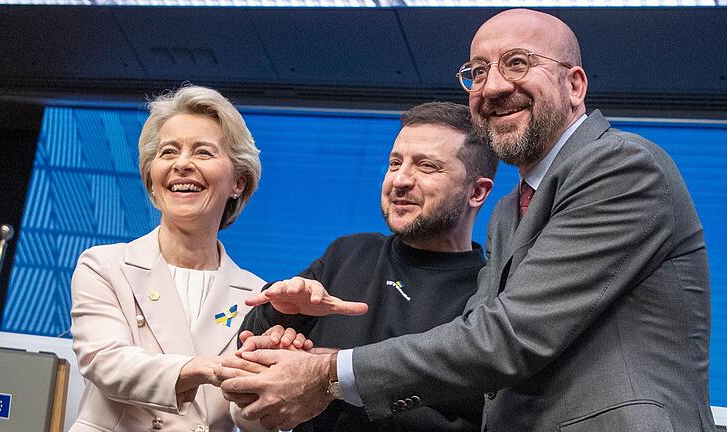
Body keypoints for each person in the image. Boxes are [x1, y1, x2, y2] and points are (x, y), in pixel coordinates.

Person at [218, 9, 714, 432]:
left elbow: (508, 337)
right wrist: (287, 335)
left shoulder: (620, 166)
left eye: (517, 63)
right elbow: (478, 337)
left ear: (575, 84)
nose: (492, 86)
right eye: (476, 72)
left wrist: (326, 372)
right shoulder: (507, 213)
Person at [239, 102, 497, 432]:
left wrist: (331, 378)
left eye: (427, 166)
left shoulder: (486, 297)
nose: (401, 179)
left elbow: (475, 420)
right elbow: (249, 350)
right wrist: (285, 314)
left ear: (477, 192)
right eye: (395, 163)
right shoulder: (348, 253)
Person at [69, 85, 308, 432]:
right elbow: (106, 363)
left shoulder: (256, 294)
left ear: (238, 182)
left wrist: (273, 376)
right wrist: (204, 368)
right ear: (152, 178)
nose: (182, 164)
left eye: (203, 152)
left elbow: (249, 418)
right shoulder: (104, 266)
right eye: (168, 152)